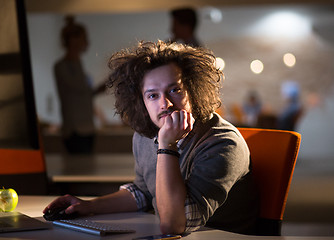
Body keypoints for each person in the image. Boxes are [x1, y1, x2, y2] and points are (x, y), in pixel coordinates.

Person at [44, 40, 259, 235]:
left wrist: (167, 146)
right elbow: (143, 192)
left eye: (175, 90)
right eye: (153, 95)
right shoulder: (145, 135)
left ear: (194, 91)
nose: (165, 103)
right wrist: (88, 207)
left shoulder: (223, 143)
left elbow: (174, 225)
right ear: (142, 102)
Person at [54, 16, 95, 154]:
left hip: (85, 129)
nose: (86, 42)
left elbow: (83, 93)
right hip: (75, 130)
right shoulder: (62, 67)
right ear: (73, 40)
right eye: (83, 38)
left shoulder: (77, 66)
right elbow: (78, 88)